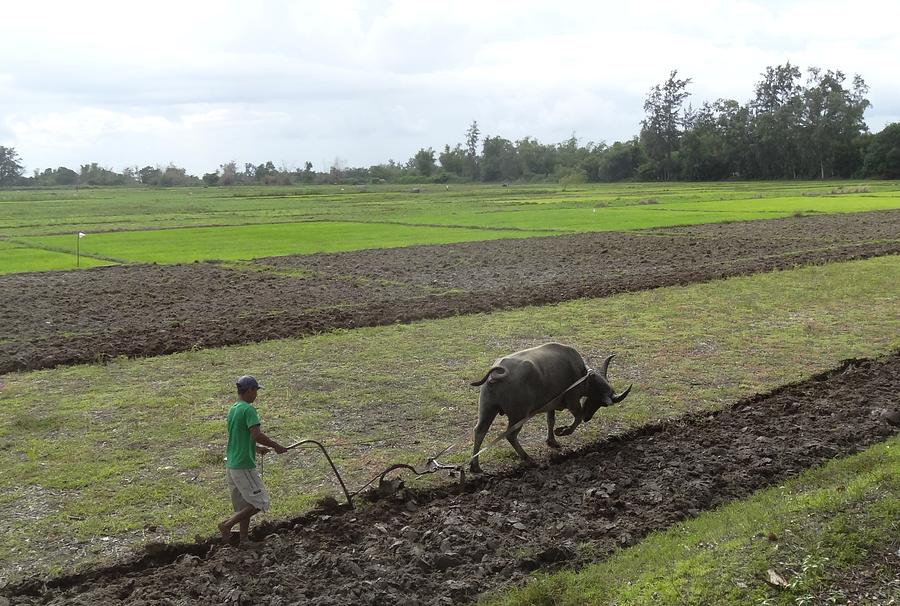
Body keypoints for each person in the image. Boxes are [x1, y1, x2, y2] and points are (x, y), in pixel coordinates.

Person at [218, 375, 288, 546]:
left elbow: (239, 435)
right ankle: (226, 525)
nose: (256, 394)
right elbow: (256, 434)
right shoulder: (249, 410)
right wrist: (276, 445)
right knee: (260, 503)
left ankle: (243, 539)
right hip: (243, 465)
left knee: (245, 506)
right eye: (256, 390)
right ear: (249, 390)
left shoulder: (233, 409)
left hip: (232, 464)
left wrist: (256, 448)